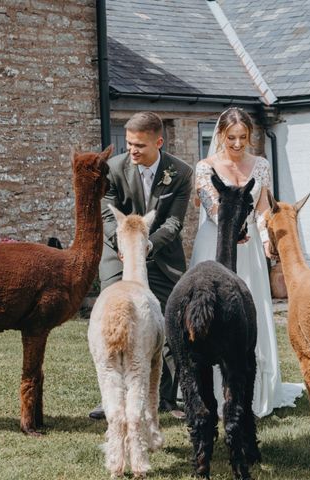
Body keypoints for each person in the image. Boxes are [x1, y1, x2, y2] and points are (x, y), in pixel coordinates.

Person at [190, 107, 304, 418]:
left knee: (250, 310)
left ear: (250, 136)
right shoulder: (204, 167)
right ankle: (210, 390)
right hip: (216, 242)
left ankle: (254, 391)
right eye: (232, 138)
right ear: (221, 136)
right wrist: (232, 229)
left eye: (243, 137)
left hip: (251, 246)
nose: (238, 144)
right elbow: (213, 207)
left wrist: (267, 240)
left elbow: (265, 206)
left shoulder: (261, 166)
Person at [89, 111, 193, 420]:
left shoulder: (181, 173)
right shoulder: (112, 170)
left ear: (158, 142)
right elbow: (107, 216)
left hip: (161, 257)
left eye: (140, 145)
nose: (132, 150)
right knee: (114, 321)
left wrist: (148, 245)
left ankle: (166, 397)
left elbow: (174, 222)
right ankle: (110, 396)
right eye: (129, 143)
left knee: (169, 322)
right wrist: (125, 246)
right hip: (118, 254)